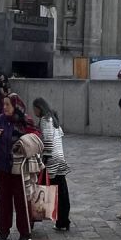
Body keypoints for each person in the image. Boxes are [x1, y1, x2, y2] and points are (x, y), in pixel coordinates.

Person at [0, 93, 36, 240]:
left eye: (8, 104)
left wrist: (23, 142)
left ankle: (25, 233)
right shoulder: (0, 120)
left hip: (19, 167)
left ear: (15, 105)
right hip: (2, 167)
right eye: (4, 104)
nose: (5, 107)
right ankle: (3, 232)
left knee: (21, 200)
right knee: (3, 200)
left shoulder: (25, 121)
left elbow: (36, 137)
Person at [31, 98, 71, 231]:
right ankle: (63, 220)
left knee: (51, 190)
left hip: (52, 160)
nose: (34, 111)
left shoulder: (45, 120)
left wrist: (43, 162)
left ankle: (56, 219)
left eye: (35, 108)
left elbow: (47, 141)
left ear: (39, 108)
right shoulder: (53, 119)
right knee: (62, 191)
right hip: (60, 158)